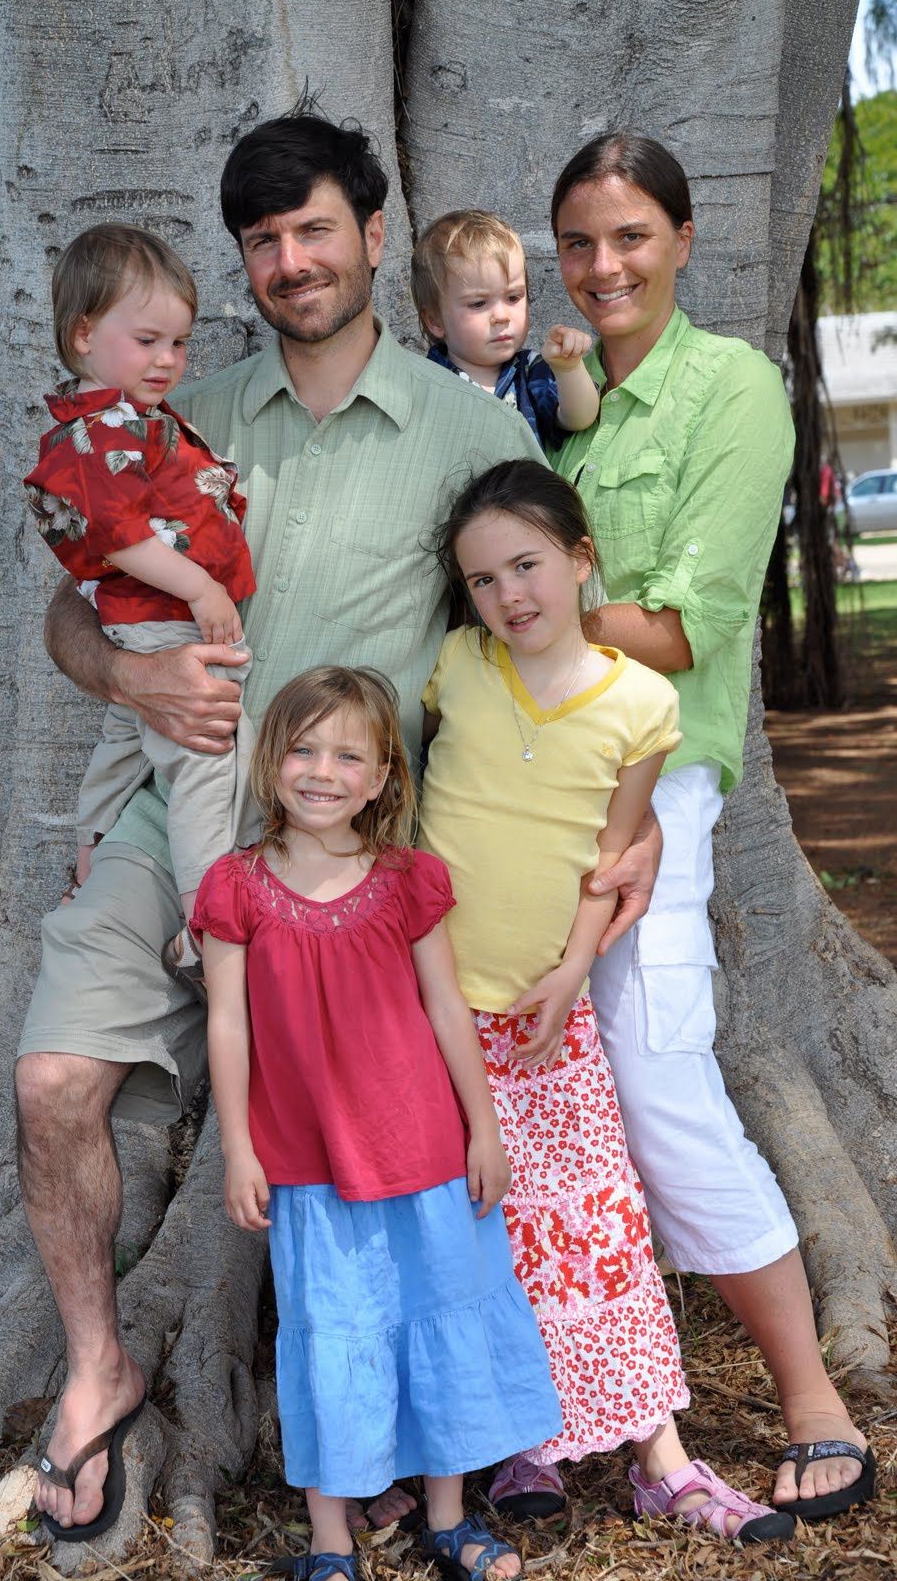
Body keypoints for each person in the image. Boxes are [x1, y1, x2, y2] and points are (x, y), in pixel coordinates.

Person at [17, 109, 627, 1540]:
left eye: (313, 229)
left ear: (371, 233)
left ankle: (409, 1449)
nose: (290, 260)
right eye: (262, 240)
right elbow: (69, 606)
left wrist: (636, 813)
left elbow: (548, 640)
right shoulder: (182, 409)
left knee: (383, 1167)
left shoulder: (470, 431)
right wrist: (129, 676)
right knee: (52, 1082)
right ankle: (98, 1366)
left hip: (347, 869)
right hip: (170, 816)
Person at [548, 131, 872, 1519]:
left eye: (629, 235)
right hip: (512, 789)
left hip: (654, 786)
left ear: (681, 241)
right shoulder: (545, 403)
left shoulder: (728, 388)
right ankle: (595, 1412)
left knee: (657, 1076)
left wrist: (521, 603)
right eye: (578, 241)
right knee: (535, 1092)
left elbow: (686, 627)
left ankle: (810, 1398)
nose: (603, 264)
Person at [418, 459, 794, 1544]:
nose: (508, 595)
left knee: (592, 1221)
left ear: (581, 559)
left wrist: (573, 968)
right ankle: (521, 1438)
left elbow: (616, 858)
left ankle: (658, 1454)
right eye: (482, 580)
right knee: (482, 1228)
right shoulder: (457, 666)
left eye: (526, 565)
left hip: (544, 1010)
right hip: (429, 1010)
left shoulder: (640, 702)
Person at [194, 665, 562, 1581]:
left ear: (381, 777)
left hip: (424, 1150)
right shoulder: (235, 886)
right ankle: (331, 1543)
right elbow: (228, 1023)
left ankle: (448, 1519)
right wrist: (239, 1148)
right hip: (308, 1162)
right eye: (303, 750)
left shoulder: (407, 880)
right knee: (330, 1332)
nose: (322, 771)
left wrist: (483, 1129)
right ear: (270, 761)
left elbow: (446, 1009)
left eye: (347, 756)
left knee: (438, 1319)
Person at [23, 223, 256, 961]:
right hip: (161, 619)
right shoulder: (100, 433)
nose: (167, 359)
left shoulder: (132, 421)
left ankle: (89, 857)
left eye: (178, 343)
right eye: (148, 340)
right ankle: (205, 919)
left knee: (125, 741)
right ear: (83, 334)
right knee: (204, 757)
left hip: (145, 617)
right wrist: (204, 590)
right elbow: (120, 537)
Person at [410, 209, 599, 447]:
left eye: (513, 297)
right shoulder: (423, 382)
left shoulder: (530, 372)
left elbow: (579, 418)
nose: (501, 316)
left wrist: (568, 368)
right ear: (435, 320)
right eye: (478, 303)